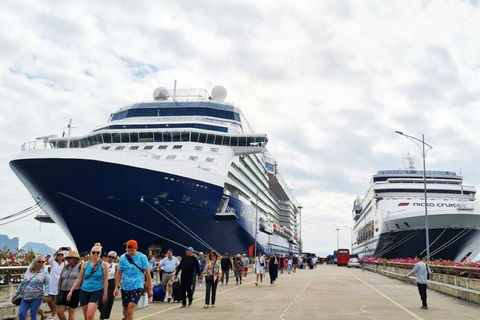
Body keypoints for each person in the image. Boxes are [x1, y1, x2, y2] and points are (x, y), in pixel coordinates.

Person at [114, 240, 153, 320]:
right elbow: (119, 273)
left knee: (130, 310)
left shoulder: (142, 257)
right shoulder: (123, 258)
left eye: (132, 250)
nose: (130, 252)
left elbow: (147, 273)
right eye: (128, 250)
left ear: (136, 248)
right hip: (125, 287)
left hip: (137, 286)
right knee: (126, 313)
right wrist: (116, 287)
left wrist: (150, 288)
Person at [67, 244, 108, 320]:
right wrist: (71, 290)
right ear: (90, 253)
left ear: (100, 253)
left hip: (97, 290)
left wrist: (105, 293)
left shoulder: (104, 265)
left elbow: (105, 280)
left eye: (97, 252)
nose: (95, 254)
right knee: (86, 317)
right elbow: (79, 279)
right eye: (93, 252)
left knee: (90, 315)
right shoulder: (85, 265)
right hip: (84, 291)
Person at [12, 255, 50, 320]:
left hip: (37, 297)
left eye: (43, 262)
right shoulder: (28, 271)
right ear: (35, 262)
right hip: (25, 297)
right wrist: (15, 295)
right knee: (21, 314)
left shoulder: (45, 272)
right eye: (39, 261)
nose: (41, 263)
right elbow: (22, 284)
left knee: (33, 314)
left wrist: (46, 295)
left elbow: (48, 285)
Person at [56, 250, 82, 320]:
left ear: (75, 259)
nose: (68, 260)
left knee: (71, 311)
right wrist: (59, 290)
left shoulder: (80, 267)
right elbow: (61, 278)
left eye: (70, 258)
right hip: (63, 291)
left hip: (75, 291)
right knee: (59, 311)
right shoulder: (65, 267)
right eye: (67, 258)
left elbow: (82, 278)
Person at [48, 248, 67, 320]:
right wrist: (57, 251)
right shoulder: (53, 263)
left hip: (60, 284)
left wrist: (70, 250)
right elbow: (50, 259)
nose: (60, 256)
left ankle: (53, 315)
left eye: (61, 255)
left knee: (56, 300)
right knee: (49, 300)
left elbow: (71, 260)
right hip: (52, 284)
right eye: (58, 255)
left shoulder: (65, 264)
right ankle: (53, 312)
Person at [99, 251, 118, 320]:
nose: (110, 258)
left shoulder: (115, 266)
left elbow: (116, 277)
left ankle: (103, 317)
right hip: (102, 282)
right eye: (109, 257)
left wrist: (116, 287)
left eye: (112, 257)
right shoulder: (103, 264)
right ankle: (103, 313)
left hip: (111, 283)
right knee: (99, 300)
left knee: (108, 301)